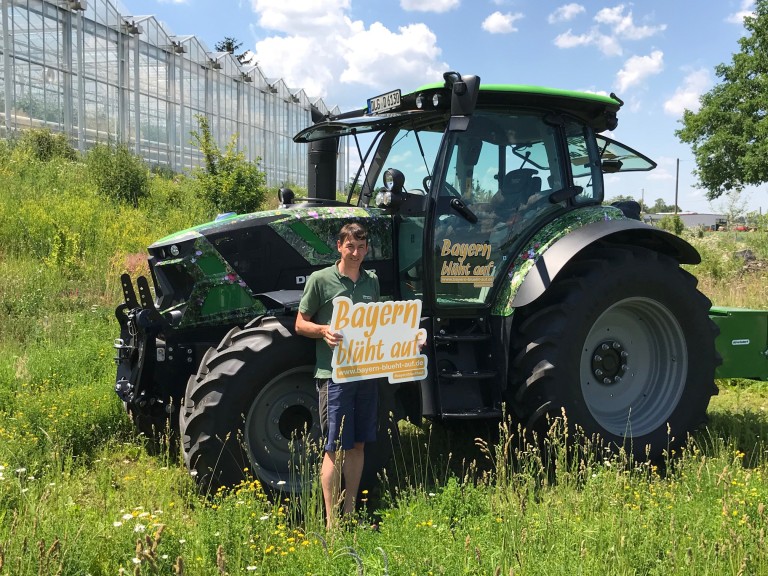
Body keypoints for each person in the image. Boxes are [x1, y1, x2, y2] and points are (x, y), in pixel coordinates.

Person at [295, 222, 380, 530]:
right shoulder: (321, 280)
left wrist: (409, 338)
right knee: (333, 448)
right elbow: (300, 323)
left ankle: (350, 512)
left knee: (357, 444)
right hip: (334, 375)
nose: (355, 253)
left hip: (366, 372)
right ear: (339, 247)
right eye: (350, 247)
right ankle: (332, 525)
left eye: (360, 247)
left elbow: (379, 325)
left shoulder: (372, 282)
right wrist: (323, 331)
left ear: (366, 249)